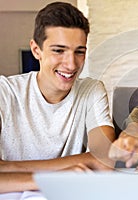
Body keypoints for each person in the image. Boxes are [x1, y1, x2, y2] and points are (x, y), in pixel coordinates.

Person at [0, 2, 115, 193]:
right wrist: (51, 178)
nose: (71, 64)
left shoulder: (91, 90)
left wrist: (6, 168)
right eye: (58, 50)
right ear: (37, 50)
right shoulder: (5, 91)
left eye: (79, 51)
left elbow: (104, 160)